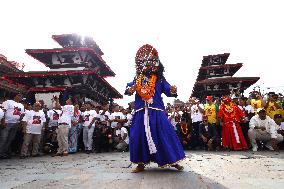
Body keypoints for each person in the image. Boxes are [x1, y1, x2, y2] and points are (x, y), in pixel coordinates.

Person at [125, 44, 185, 173]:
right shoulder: (137, 78)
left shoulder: (159, 78)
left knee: (165, 134)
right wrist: (131, 89)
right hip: (141, 111)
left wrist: (173, 90)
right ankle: (140, 163)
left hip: (156, 111)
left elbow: (168, 90)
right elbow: (128, 89)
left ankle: (173, 160)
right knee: (138, 136)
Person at [0, 93, 24, 159]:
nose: (20, 97)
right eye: (19, 95)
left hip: (15, 124)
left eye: (21, 96)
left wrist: (20, 123)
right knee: (3, 138)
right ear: (15, 96)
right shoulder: (8, 102)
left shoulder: (21, 105)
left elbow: (21, 115)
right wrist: (3, 121)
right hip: (7, 123)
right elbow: (2, 111)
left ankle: (3, 153)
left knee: (10, 139)